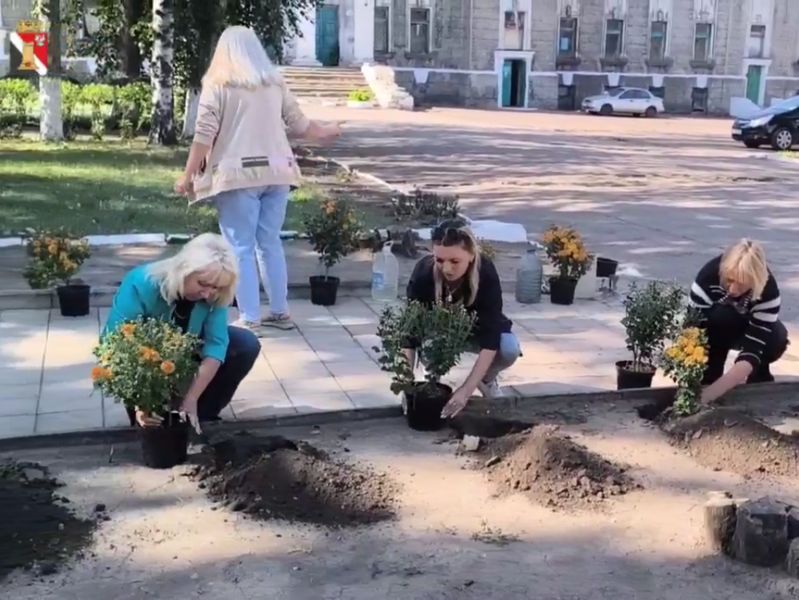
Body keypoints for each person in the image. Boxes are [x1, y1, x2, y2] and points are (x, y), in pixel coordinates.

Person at [175, 25, 342, 333]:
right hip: (279, 172)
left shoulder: (219, 83)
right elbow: (302, 125)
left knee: (240, 246)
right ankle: (280, 313)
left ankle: (250, 316)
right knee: (270, 243)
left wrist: (187, 176)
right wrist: (330, 129)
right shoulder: (273, 82)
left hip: (238, 176)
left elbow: (204, 134)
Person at [102, 233, 260, 431]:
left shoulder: (215, 293)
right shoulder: (141, 283)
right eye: (202, 283)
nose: (208, 293)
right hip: (146, 362)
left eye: (216, 287)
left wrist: (191, 398)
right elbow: (115, 345)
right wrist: (140, 402)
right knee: (154, 423)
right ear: (183, 270)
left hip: (188, 348)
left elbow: (216, 344)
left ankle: (202, 416)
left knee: (244, 344)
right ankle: (150, 411)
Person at [404, 220, 521, 418]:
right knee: (431, 345)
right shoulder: (424, 272)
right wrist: (406, 385)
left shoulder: (485, 272)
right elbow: (410, 331)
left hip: (476, 329)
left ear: (471, 255)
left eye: (455, 261)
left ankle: (486, 379)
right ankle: (432, 380)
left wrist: (466, 390)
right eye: (440, 260)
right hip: (440, 331)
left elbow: (490, 338)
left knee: (509, 349)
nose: (447, 268)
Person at [689, 239, 788, 405]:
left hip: (747, 329)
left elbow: (753, 349)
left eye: (742, 285)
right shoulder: (707, 279)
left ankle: (760, 373)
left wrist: (711, 394)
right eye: (729, 280)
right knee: (719, 318)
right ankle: (711, 370)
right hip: (716, 329)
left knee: (776, 337)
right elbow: (692, 331)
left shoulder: (769, 291)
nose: (733, 290)